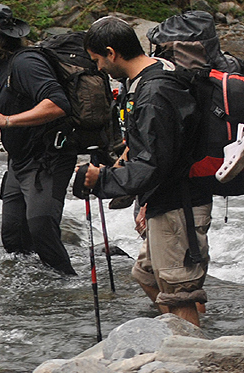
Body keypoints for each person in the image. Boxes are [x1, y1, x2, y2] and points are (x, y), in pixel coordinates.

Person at [72, 16, 210, 326]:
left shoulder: (155, 93)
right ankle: (185, 335)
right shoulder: (149, 77)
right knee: (145, 274)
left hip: (180, 205)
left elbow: (153, 165)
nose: (98, 69)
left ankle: (193, 352)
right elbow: (154, 149)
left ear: (111, 52)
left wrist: (102, 180)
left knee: (179, 292)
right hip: (166, 199)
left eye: (97, 60)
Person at [0, 3, 77, 277]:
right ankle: (30, 290)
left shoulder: (26, 62)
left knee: (42, 229)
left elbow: (57, 103)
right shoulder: (3, 67)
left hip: (47, 161)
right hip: (19, 162)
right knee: (14, 237)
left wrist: (8, 122)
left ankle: (68, 288)